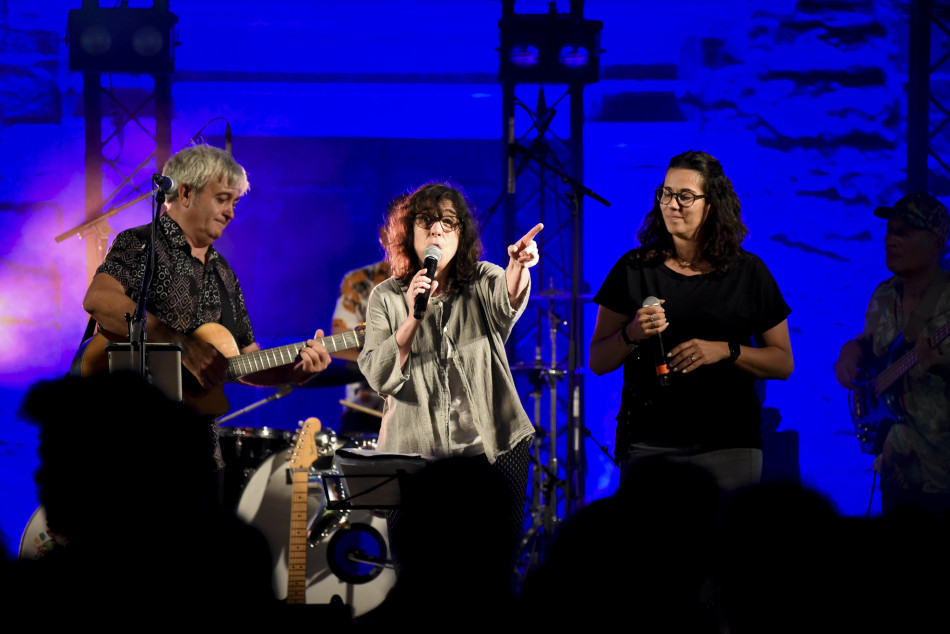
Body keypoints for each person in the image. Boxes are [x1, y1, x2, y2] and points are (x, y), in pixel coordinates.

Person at [80, 144, 331, 507]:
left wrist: (295, 373)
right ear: (185, 193)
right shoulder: (139, 244)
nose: (230, 212)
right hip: (128, 443)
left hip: (199, 452)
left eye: (234, 202)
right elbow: (98, 300)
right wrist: (180, 343)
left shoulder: (224, 274)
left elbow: (245, 362)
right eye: (222, 199)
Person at [357, 181, 542, 566]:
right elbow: (377, 374)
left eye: (447, 221)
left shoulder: (482, 279)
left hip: (489, 450)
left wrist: (519, 266)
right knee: (418, 571)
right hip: (413, 456)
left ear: (461, 233)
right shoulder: (386, 296)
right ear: (408, 232)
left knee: (489, 570)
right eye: (426, 221)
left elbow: (507, 301)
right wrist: (410, 319)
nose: (437, 230)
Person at [588, 149, 793, 492]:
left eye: (685, 196)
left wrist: (727, 351)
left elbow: (783, 362)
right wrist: (632, 333)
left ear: (711, 204)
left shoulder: (748, 272)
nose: (672, 204)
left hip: (729, 445)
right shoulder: (634, 269)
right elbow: (597, 361)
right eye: (666, 194)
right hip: (650, 446)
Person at [834, 191, 950, 516]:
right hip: (895, 472)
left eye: (904, 233)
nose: (890, 240)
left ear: (937, 243)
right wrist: (850, 351)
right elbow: (872, 351)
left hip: (943, 474)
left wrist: (942, 367)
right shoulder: (883, 295)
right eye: (889, 231)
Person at [330, 213, 399, 439]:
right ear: (384, 236)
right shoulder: (358, 281)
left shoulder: (435, 283)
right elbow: (339, 345)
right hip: (365, 409)